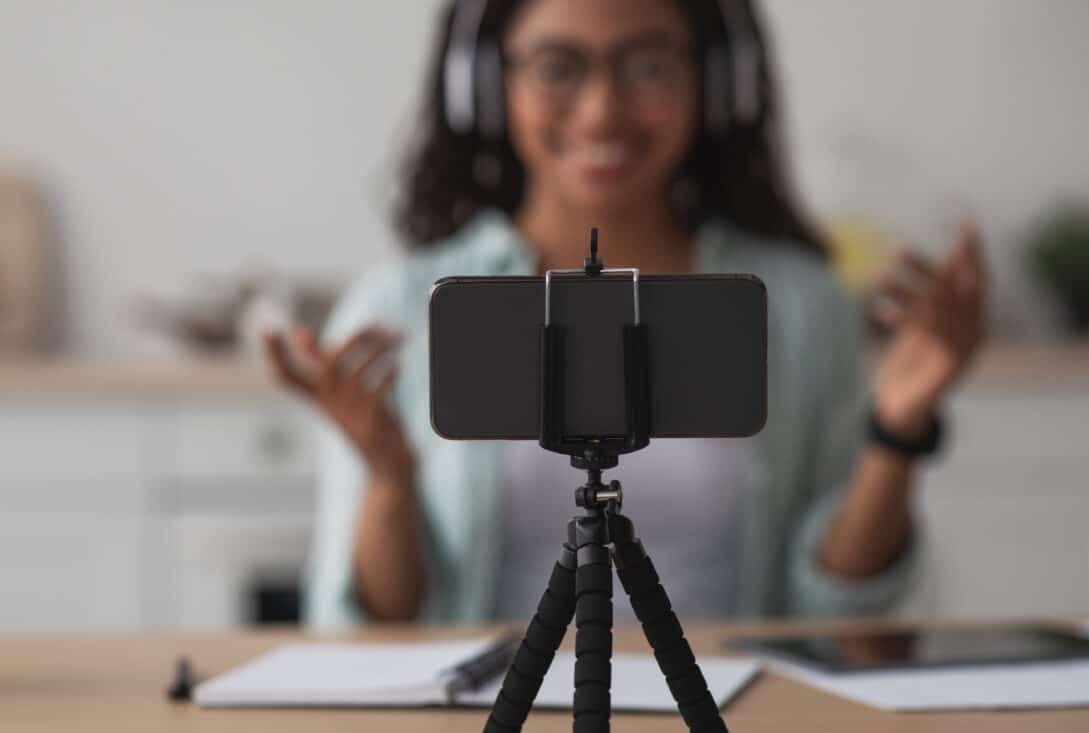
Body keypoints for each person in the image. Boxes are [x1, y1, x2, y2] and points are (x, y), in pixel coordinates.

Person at [264, 0, 985, 629]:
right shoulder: (403, 308)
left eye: (648, 65)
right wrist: (388, 478)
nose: (603, 108)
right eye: (557, 65)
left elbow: (834, 611)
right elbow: (377, 633)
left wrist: (898, 427)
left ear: (715, 83)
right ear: (486, 89)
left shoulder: (796, 305)